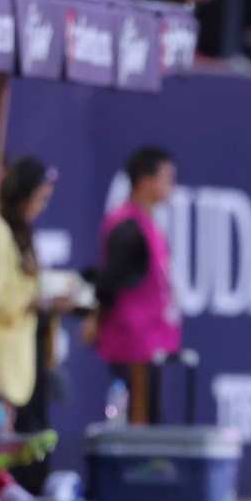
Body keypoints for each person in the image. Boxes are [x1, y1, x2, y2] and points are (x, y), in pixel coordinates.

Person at [0, 157, 70, 494]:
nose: (41, 207)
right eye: (39, 198)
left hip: (7, 364)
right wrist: (35, 302)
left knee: (4, 458)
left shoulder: (12, 232)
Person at [82, 147, 181, 424]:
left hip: (150, 341)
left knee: (150, 416)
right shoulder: (127, 226)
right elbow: (112, 278)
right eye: (166, 177)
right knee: (139, 425)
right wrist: (96, 319)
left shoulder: (147, 222)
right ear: (144, 180)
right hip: (133, 341)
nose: (172, 185)